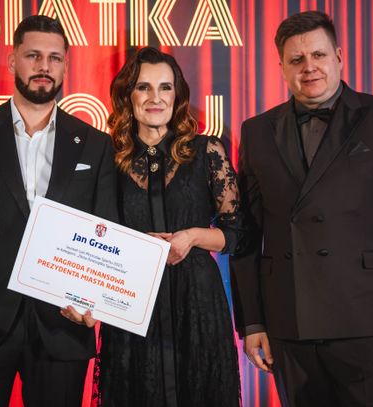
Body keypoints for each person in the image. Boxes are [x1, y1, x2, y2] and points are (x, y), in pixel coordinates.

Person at [230, 10, 373, 407]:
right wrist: (252, 321)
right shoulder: (256, 131)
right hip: (289, 322)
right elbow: (246, 234)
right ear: (282, 67)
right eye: (296, 59)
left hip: (369, 319)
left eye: (318, 55)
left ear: (338, 56)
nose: (309, 67)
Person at [0, 15, 117, 407]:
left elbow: (106, 230)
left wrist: (95, 299)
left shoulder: (95, 144)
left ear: (65, 65)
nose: (44, 67)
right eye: (33, 56)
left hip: (62, 324)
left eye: (54, 58)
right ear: (13, 60)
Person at [96, 46, 243, 407]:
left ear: (177, 96)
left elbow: (236, 233)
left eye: (165, 87)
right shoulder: (107, 158)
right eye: (143, 87)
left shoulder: (207, 151)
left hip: (196, 300)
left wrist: (191, 237)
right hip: (130, 298)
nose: (155, 98)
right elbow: (95, 233)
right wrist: (134, 247)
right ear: (128, 95)